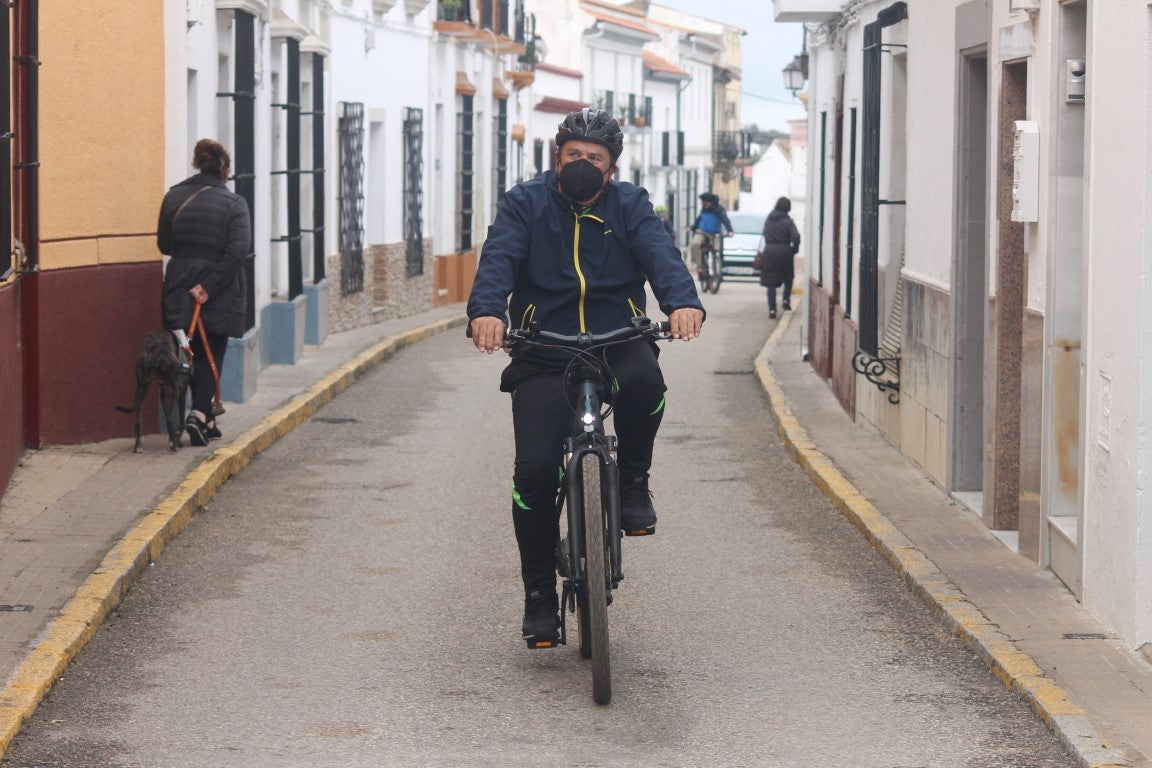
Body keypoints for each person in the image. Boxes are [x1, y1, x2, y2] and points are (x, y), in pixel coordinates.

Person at [467, 107, 706, 644]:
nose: (581, 163)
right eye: (573, 154)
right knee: (533, 475)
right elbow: (498, 258)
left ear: (611, 169)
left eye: (593, 158)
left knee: (648, 384)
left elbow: (660, 255)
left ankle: (633, 482)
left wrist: (683, 303)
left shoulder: (632, 205)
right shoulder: (524, 203)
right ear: (557, 158)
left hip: (617, 338)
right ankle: (538, 597)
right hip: (542, 347)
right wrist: (487, 310)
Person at [157, 139, 251, 447]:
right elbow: (238, 251)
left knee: (185, 350)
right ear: (224, 169)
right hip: (217, 292)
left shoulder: (173, 197)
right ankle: (198, 414)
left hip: (178, 287)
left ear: (199, 164)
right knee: (212, 353)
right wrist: (208, 286)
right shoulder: (234, 204)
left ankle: (196, 419)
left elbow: (165, 245)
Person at [758, 196, 801, 319]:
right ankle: (786, 300)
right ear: (788, 208)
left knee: (770, 283)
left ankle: (772, 309)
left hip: (770, 252)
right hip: (785, 252)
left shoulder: (768, 220)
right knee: (788, 278)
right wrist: (794, 249)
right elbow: (796, 237)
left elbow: (765, 235)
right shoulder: (788, 222)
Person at [687, 192, 733, 274]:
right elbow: (699, 220)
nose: (701, 203)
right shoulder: (704, 209)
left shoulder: (719, 210)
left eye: (703, 201)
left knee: (717, 249)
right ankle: (699, 265)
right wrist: (692, 228)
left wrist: (730, 231)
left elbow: (725, 220)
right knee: (695, 244)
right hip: (702, 231)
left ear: (709, 202)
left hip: (715, 233)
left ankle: (718, 270)